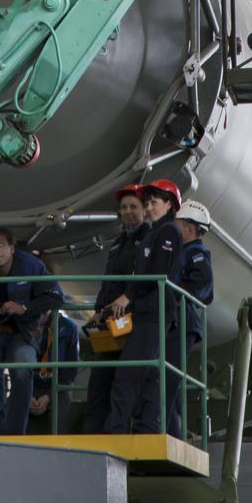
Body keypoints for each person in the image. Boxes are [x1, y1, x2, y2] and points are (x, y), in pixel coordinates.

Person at [105, 179, 183, 434]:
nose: (148, 207)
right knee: (148, 378)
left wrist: (129, 297)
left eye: (154, 202)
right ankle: (144, 432)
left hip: (154, 314)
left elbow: (157, 274)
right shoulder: (153, 233)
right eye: (147, 202)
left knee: (128, 376)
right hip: (146, 313)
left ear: (169, 204)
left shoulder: (168, 232)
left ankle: (115, 432)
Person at [0, 229, 62, 436]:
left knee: (22, 371)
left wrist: (25, 308)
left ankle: (16, 435)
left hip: (21, 335)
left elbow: (55, 296)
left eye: (0, 245)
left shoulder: (30, 265)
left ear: (12, 248)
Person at [82, 183, 149, 433]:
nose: (128, 211)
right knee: (100, 381)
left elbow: (142, 278)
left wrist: (127, 298)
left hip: (134, 322)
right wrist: (99, 311)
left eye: (134, 206)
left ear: (144, 210)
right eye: (124, 207)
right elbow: (108, 281)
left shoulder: (148, 240)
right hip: (112, 323)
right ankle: (93, 436)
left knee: (124, 382)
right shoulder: (118, 243)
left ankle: (115, 434)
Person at [167, 199, 214, 438]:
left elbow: (201, 286)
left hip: (182, 321)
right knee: (168, 381)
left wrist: (172, 295)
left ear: (188, 227)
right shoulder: (181, 252)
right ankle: (173, 432)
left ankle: (171, 434)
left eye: (177, 223)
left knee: (168, 380)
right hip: (175, 321)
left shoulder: (196, 253)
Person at [30, 308, 80, 434]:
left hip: (57, 383)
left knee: (64, 397)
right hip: (31, 382)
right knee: (15, 401)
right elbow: (16, 369)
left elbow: (69, 373)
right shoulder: (23, 324)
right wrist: (27, 394)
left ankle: (59, 445)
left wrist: (48, 396)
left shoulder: (69, 328)